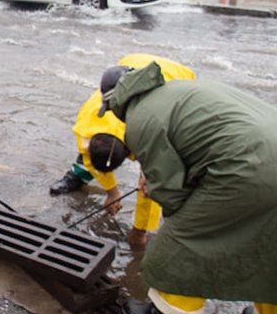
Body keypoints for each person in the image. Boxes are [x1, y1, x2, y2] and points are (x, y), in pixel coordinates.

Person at [99, 62, 277, 314]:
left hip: (250, 166)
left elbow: (172, 195)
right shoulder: (175, 89)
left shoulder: (140, 118)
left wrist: (170, 207)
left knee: (183, 236)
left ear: (116, 102)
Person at [49, 54, 197, 249]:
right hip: (131, 64)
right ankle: (76, 175)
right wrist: (112, 193)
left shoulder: (147, 131)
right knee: (94, 158)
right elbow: (88, 156)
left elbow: (150, 188)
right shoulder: (88, 120)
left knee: (157, 178)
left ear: (130, 150)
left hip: (174, 75)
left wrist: (139, 231)